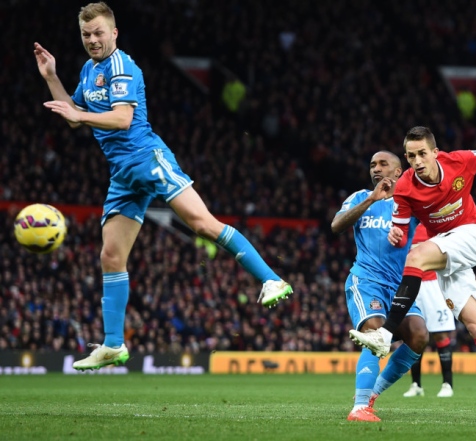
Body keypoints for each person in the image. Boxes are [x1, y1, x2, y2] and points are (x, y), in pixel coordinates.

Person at [34, 2, 292, 370]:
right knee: (110, 255)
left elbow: (122, 119)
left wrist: (79, 113)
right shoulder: (90, 70)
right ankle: (112, 345)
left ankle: (271, 279)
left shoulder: (123, 66)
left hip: (147, 159)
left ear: (114, 33)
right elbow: (74, 117)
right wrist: (51, 77)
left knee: (202, 224)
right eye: (86, 34)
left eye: (98, 33)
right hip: (123, 175)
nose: (92, 40)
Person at [350, 112, 476, 424]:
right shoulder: (405, 187)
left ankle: (385, 334)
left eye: (421, 154)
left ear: (434, 151)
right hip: (447, 254)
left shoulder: (460, 161)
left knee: (417, 256)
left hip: (471, 234)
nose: (417, 161)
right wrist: (396, 232)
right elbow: (402, 231)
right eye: (411, 155)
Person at [332, 151, 428, 422]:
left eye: (383, 164)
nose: (376, 169)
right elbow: (336, 225)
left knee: (419, 336)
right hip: (367, 281)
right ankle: (359, 407)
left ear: (399, 172)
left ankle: (372, 394)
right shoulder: (360, 197)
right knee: (374, 332)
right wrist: (373, 198)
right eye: (372, 164)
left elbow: (435, 223)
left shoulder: (411, 203)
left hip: (400, 285)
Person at [402, 224, 456, 398]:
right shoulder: (403, 225)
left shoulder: (432, 224)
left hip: (433, 285)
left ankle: (447, 384)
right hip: (411, 284)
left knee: (440, 334)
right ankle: (416, 385)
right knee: (414, 336)